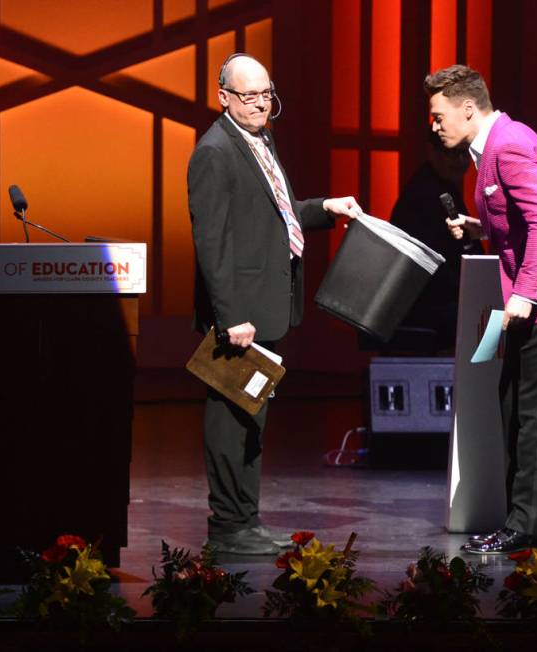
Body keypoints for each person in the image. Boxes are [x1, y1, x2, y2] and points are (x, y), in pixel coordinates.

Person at [188, 53, 362, 555]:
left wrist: (325, 208)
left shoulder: (260, 141)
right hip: (239, 317)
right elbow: (212, 244)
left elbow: (274, 219)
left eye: (266, 93)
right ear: (224, 97)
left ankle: (246, 521)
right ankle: (228, 526)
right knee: (230, 419)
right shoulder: (215, 152)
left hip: (266, 309)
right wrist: (229, 317)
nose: (262, 103)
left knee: (252, 418)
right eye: (249, 95)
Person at [424, 64, 537, 554]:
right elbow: (520, 219)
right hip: (531, 291)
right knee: (513, 406)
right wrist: (482, 229)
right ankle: (531, 519)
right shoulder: (494, 146)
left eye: (438, 116)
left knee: (534, 412)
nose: (433, 126)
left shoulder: (510, 145)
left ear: (466, 108)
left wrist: (525, 292)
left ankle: (525, 527)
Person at [388, 129, 482, 352]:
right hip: (426, 307)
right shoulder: (424, 194)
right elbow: (427, 261)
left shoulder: (441, 186)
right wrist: (468, 291)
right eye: (452, 154)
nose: (460, 162)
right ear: (431, 151)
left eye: (464, 154)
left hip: (437, 300)